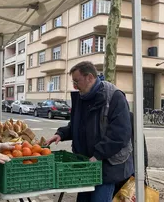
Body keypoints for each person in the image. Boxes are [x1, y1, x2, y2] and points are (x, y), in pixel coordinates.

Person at [46, 61, 134, 202]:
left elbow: (119, 134)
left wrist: (98, 155)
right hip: (88, 165)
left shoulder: (114, 97)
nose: (74, 86)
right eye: (73, 82)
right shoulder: (82, 97)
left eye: (77, 81)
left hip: (108, 166)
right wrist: (60, 134)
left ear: (90, 77)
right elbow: (77, 125)